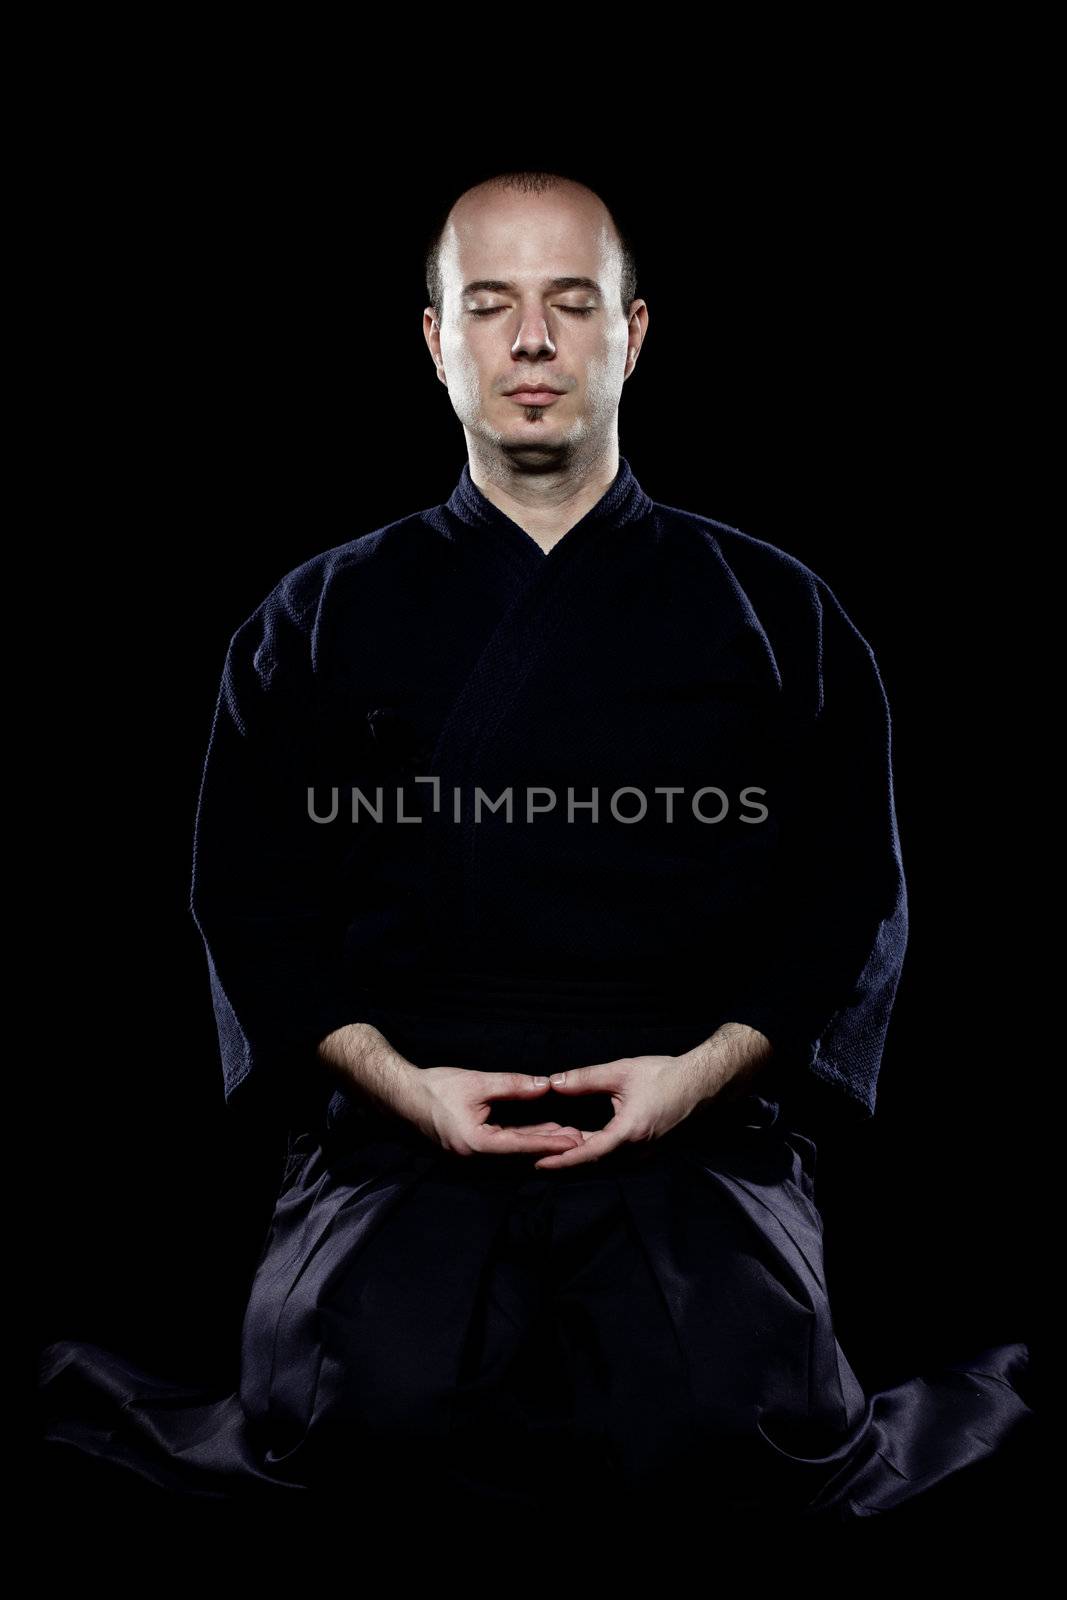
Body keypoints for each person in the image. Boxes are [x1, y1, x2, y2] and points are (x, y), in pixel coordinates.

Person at [38, 169, 1033, 1533]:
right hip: (403, 1118)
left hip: (696, 1115)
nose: (533, 343)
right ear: (436, 340)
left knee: (737, 1433)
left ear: (632, 335)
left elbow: (850, 899)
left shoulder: (779, 615)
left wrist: (699, 1073)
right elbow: (247, 900)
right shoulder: (315, 616)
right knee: (354, 1425)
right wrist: (403, 1086)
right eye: (490, 305)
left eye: (572, 304)